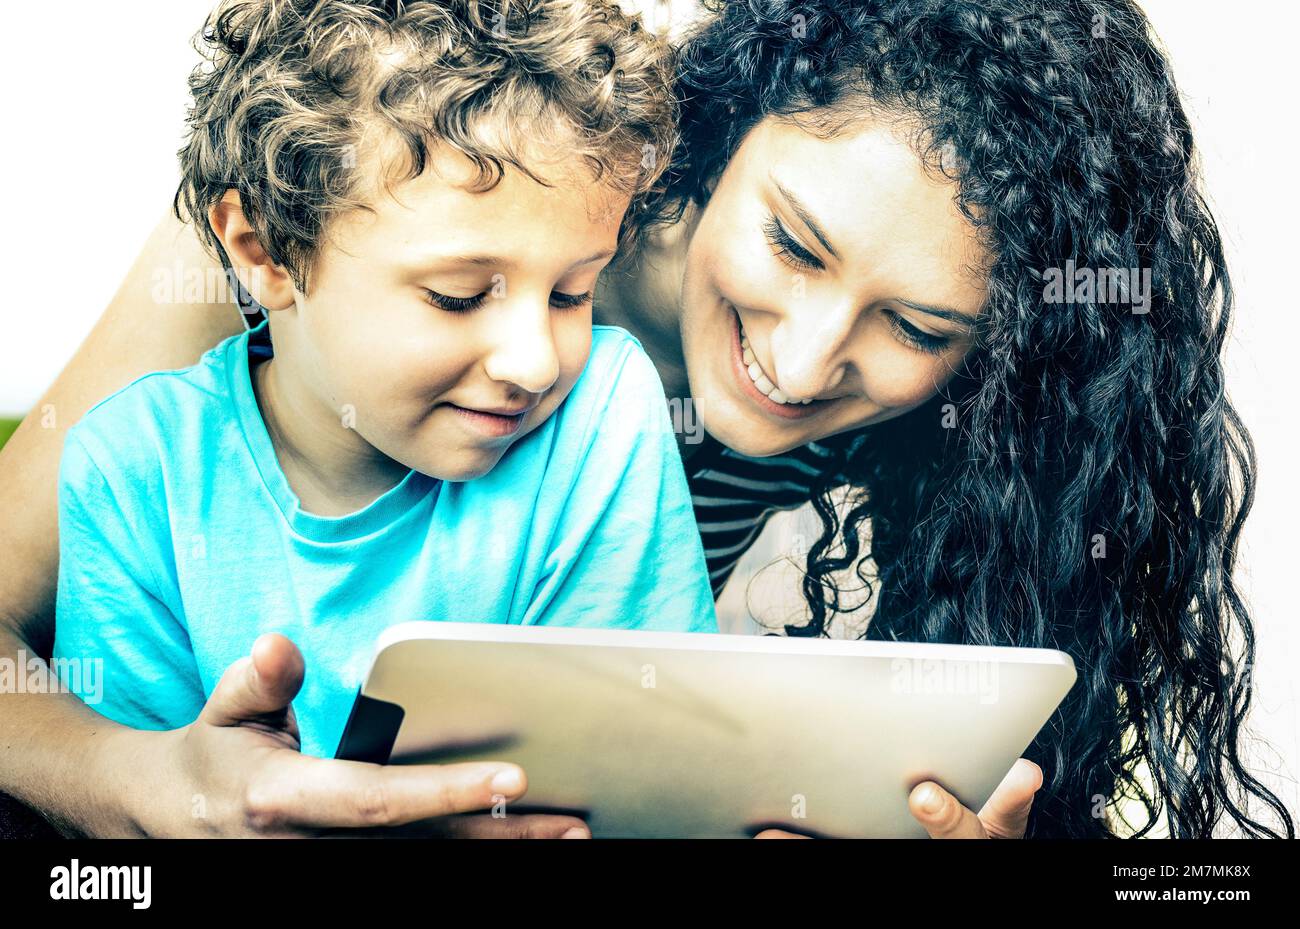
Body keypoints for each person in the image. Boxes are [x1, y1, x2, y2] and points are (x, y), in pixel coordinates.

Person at [1, 0, 1290, 838]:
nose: (801, 360)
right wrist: (143, 787)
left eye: (919, 329)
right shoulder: (395, 160)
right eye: (791, 243)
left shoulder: (957, 461)